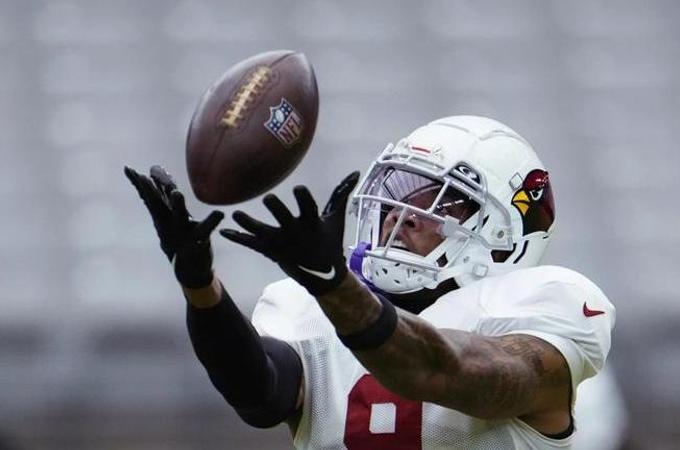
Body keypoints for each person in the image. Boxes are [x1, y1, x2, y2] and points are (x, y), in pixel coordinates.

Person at [125, 115, 615, 449]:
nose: (404, 217)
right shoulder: (307, 305)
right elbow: (261, 396)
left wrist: (336, 288)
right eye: (401, 193)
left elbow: (454, 375)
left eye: (440, 204)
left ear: (506, 238)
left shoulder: (540, 306)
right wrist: (200, 286)